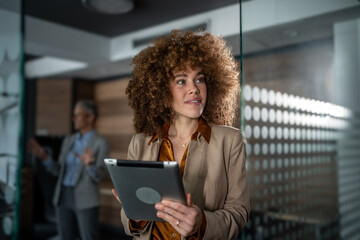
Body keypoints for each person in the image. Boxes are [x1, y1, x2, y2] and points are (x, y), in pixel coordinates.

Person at [112, 30, 250, 240]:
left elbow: (239, 213)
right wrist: (133, 212)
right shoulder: (140, 142)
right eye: (181, 81)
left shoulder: (230, 141)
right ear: (161, 91)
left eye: (200, 79)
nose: (194, 89)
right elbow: (129, 221)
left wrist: (202, 223)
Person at [28, 100, 109, 240]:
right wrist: (45, 157)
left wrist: (89, 166)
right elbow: (59, 171)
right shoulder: (68, 140)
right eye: (74, 115)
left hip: (86, 199)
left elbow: (101, 176)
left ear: (90, 117)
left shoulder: (100, 143)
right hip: (63, 196)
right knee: (65, 236)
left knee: (88, 237)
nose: (74, 119)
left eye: (78, 115)